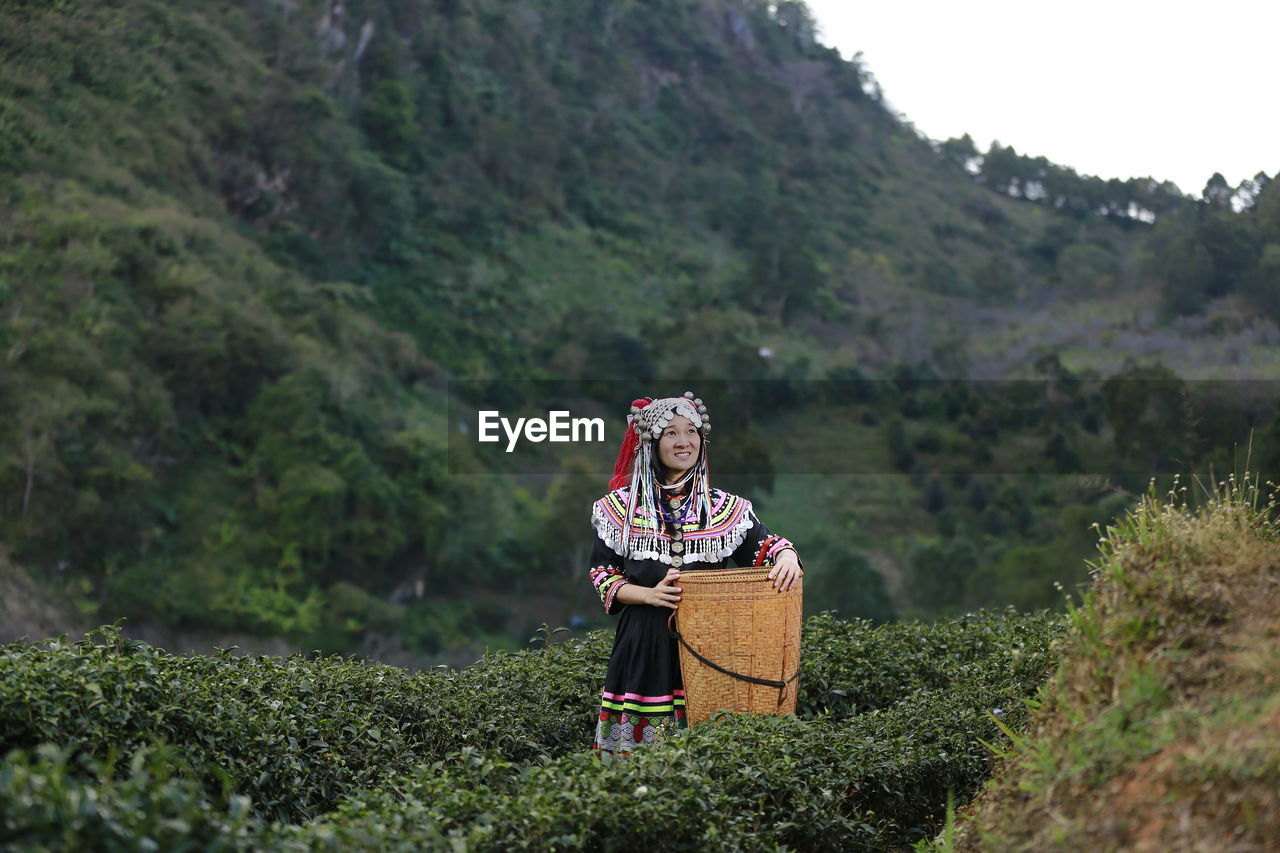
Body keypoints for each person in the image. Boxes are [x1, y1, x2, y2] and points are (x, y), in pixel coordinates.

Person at [587, 392, 803, 753]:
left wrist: (788, 557)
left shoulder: (725, 509)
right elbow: (603, 573)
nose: (684, 441)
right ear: (651, 443)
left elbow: (768, 546)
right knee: (639, 764)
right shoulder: (620, 510)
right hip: (644, 644)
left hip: (712, 645)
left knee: (707, 751)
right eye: (671, 433)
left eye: (692, 432)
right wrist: (649, 595)